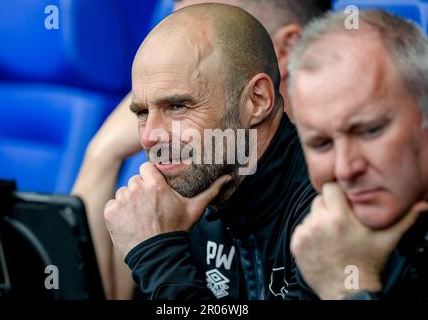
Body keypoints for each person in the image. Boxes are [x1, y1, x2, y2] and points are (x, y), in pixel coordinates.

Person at [72, 0, 330, 299]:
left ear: (257, 100)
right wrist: (101, 154)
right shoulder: (191, 187)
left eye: (178, 106)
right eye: (142, 112)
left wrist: (159, 257)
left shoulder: (327, 202)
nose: (151, 137)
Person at [288, 10, 428, 299]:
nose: (345, 169)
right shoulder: (327, 238)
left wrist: (344, 288)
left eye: (370, 131)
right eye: (321, 143)